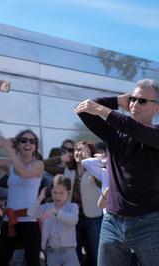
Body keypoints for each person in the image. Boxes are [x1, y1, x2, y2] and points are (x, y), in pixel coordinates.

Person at [75, 78, 159, 266]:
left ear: (157, 108)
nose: (135, 104)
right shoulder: (115, 133)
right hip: (112, 221)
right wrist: (118, 101)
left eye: (142, 100)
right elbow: (82, 110)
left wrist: (103, 110)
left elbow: (136, 130)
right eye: (133, 99)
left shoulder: (155, 133)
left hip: (150, 223)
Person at [0, 129, 44, 266]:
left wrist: (10, 150)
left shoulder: (38, 164)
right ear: (18, 144)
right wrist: (1, 143)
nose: (28, 143)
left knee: (32, 262)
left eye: (32, 141)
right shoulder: (10, 165)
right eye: (23, 140)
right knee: (1, 260)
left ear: (35, 146)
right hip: (10, 220)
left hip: (29, 220)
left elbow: (24, 173)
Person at [29, 175, 79, 266]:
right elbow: (31, 213)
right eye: (55, 192)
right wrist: (40, 198)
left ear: (68, 193)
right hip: (52, 253)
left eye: (61, 193)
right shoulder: (47, 207)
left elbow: (73, 220)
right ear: (51, 192)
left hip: (70, 252)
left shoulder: (73, 207)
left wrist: (56, 212)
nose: (57, 196)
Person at [67, 141, 102, 266]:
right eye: (76, 149)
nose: (78, 153)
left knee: (95, 254)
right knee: (73, 256)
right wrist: (61, 157)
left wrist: (88, 161)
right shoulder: (68, 170)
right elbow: (45, 164)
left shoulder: (96, 169)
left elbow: (100, 182)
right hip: (71, 219)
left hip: (93, 218)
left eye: (82, 150)